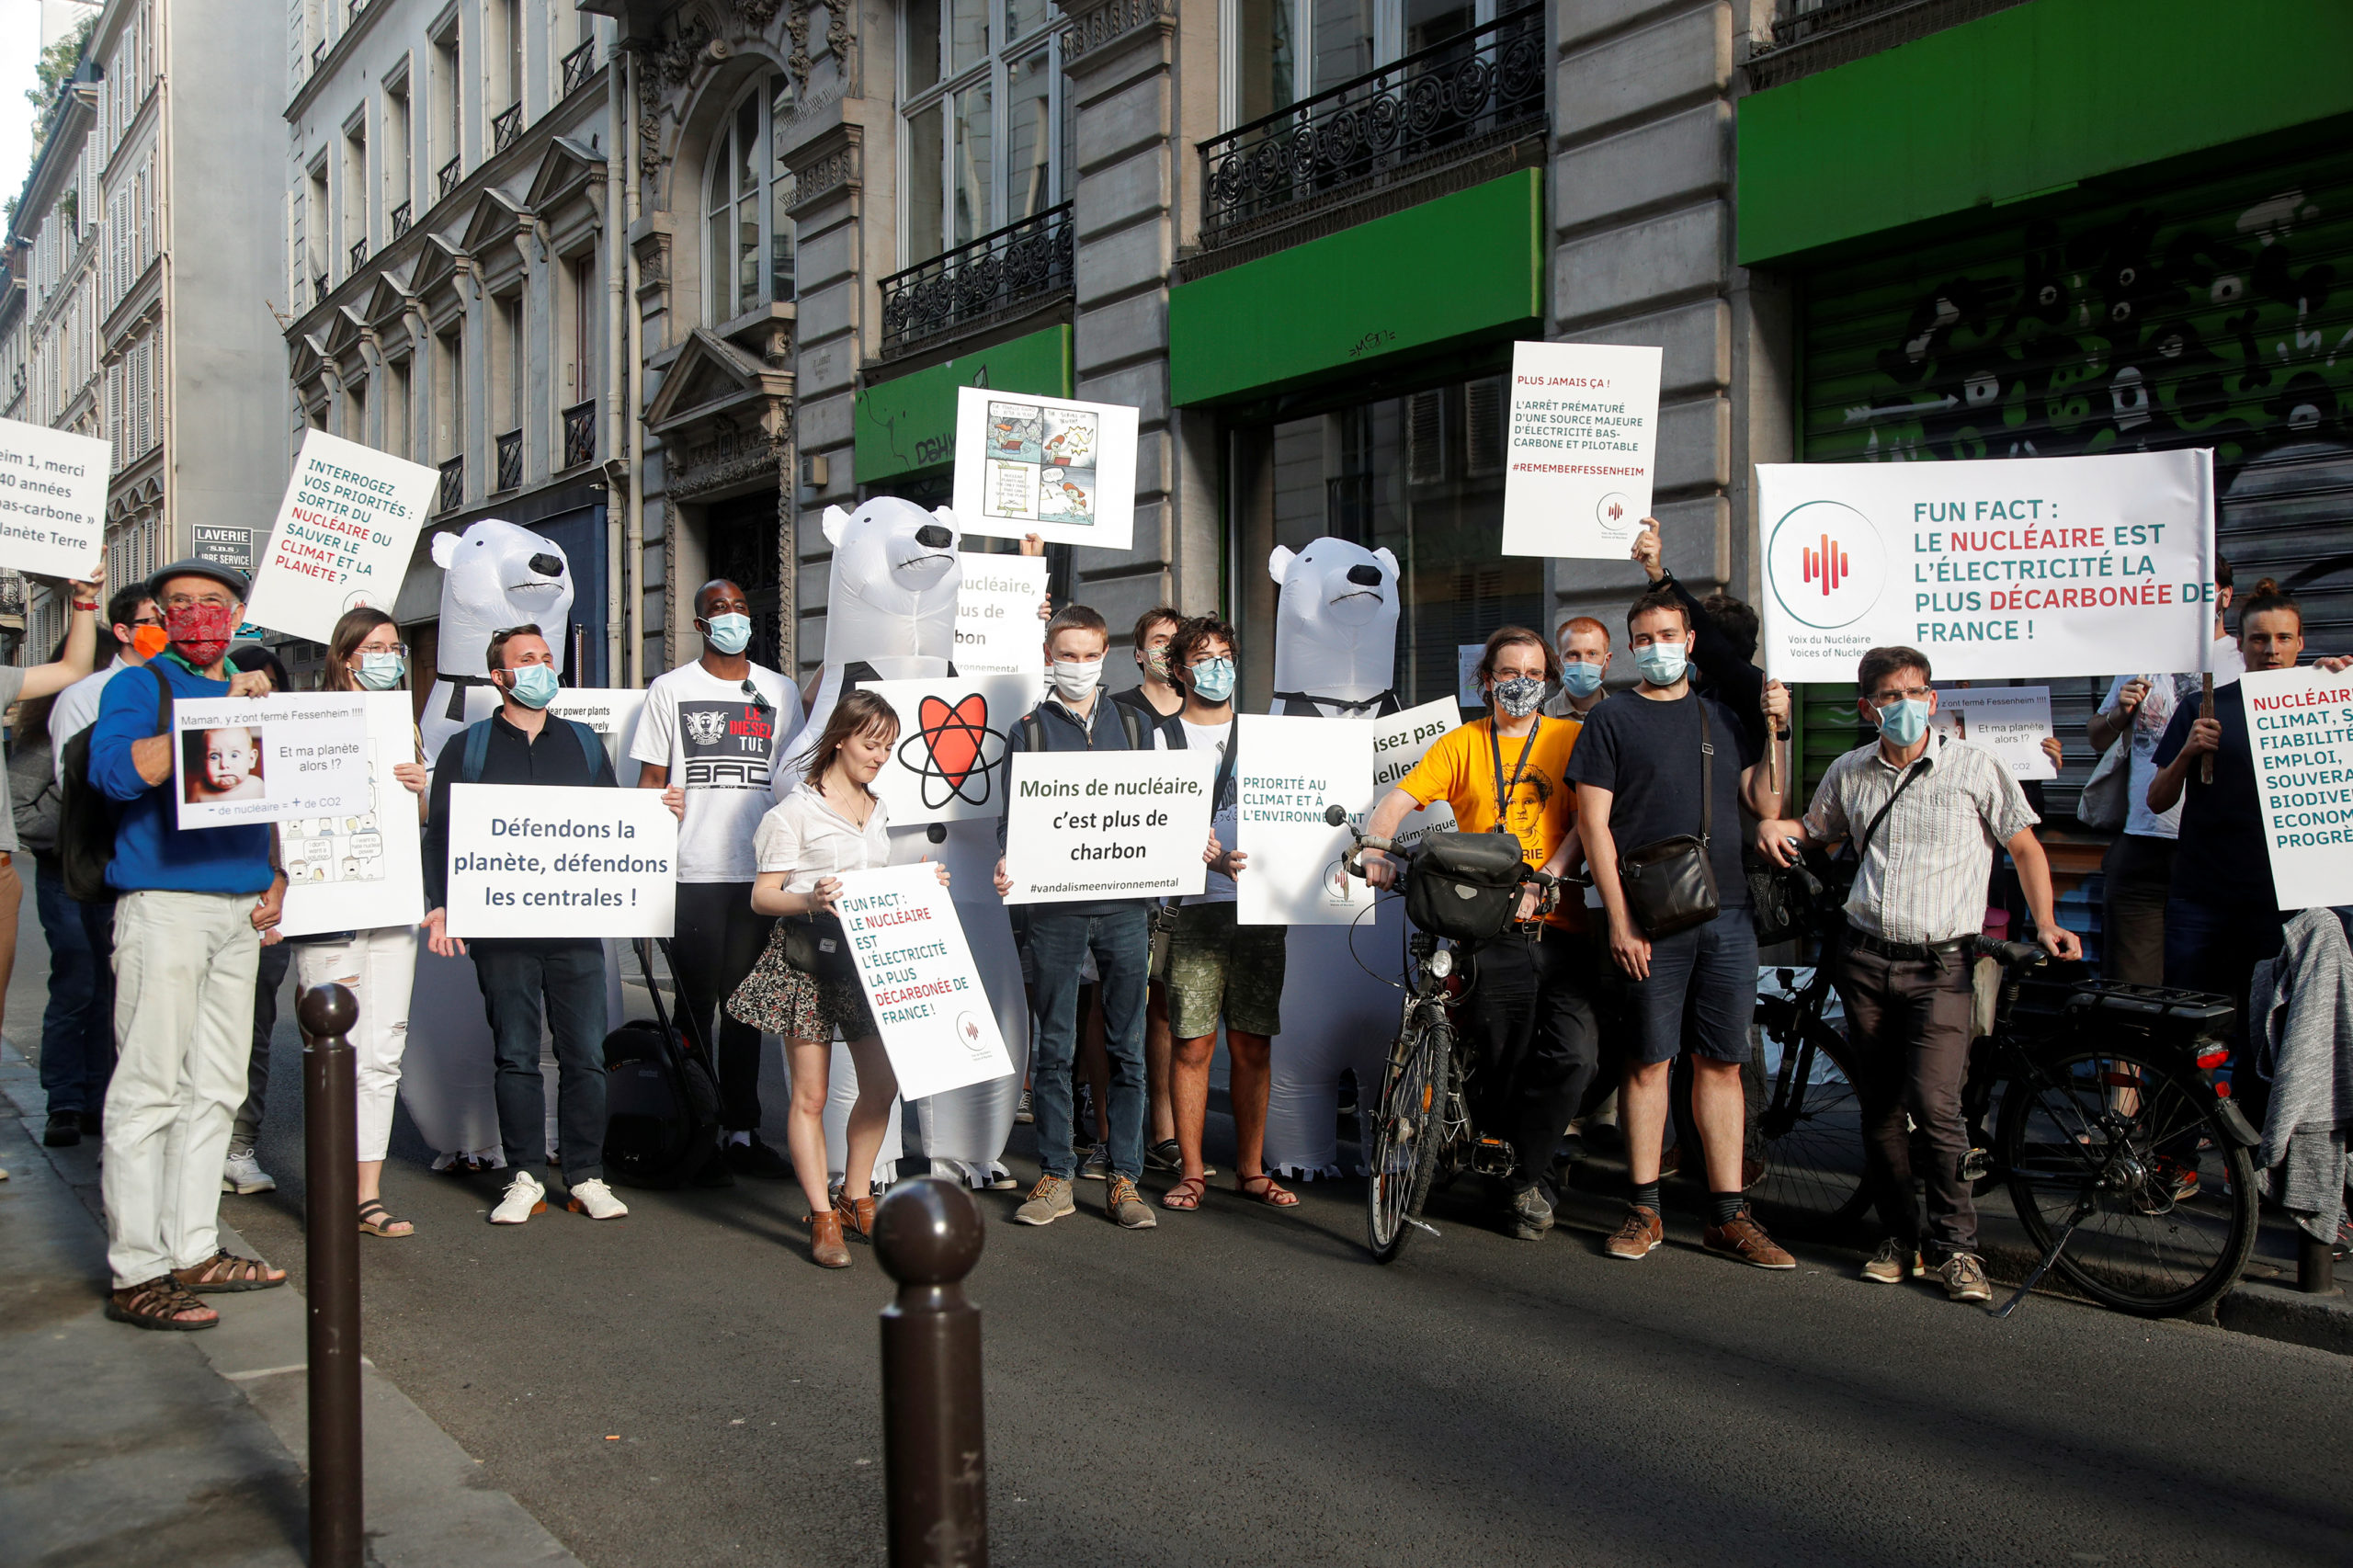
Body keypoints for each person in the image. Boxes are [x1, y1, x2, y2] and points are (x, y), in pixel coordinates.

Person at [1757, 646, 2080, 1302]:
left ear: (1932, 698)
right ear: (1866, 706)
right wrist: (1774, 825)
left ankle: (1958, 1250)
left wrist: (2045, 923)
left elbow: (2024, 846)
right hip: (1866, 958)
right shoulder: (1850, 771)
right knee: (1879, 1109)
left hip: (1943, 966)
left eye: (1915, 691)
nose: (1904, 704)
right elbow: (1817, 831)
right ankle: (1900, 1238)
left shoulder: (1973, 767)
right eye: (1889, 695)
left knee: (1937, 1108)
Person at [1568, 587, 1795, 1269]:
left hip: (1726, 914)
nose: (1658, 647)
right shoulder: (1610, 721)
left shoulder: (1722, 718)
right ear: (1631, 646)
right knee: (1648, 1063)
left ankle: (1727, 1216)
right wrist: (1619, 918)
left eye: (1669, 634)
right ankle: (1644, 1209)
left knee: (1721, 1063)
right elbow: (1593, 826)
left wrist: (1777, 732)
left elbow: (1764, 800)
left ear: (1690, 641)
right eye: (1644, 638)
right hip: (1650, 919)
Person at [90, 560, 289, 1330]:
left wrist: (278, 874)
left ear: (236, 616)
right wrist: (208, 716)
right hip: (164, 905)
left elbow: (279, 788)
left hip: (240, 910)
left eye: (213, 604)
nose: (198, 616)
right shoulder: (141, 687)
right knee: (148, 1089)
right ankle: (136, 1269)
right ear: (160, 617)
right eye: (181, 605)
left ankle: (193, 1246)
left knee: (216, 1087)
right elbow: (115, 776)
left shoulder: (257, 684)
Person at [1361, 625, 1597, 1241]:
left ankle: (1528, 1168)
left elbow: (1585, 821)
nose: (1522, 685)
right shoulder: (1461, 744)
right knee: (1504, 1057)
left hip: (1561, 924)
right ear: (1486, 679)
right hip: (1489, 927)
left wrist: (1549, 874)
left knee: (1576, 1055)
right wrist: (1375, 846)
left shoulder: (1573, 738)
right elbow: (1397, 803)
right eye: (1509, 673)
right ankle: (1521, 1184)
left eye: (1534, 674)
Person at [422, 623, 638, 1226]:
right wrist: (441, 903)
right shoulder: (467, 749)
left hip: (575, 932)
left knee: (585, 1056)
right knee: (515, 1053)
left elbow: (615, 824)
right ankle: (523, 1176)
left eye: (547, 657)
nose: (543, 666)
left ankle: (586, 1175)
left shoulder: (586, 745)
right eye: (528, 659)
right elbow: (441, 834)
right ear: (501, 678)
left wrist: (655, 817)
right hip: (501, 934)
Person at [727, 691, 946, 1267]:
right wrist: (810, 897)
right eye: (872, 744)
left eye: (889, 746)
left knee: (882, 1085)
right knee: (812, 1095)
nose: (881, 756)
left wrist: (917, 884)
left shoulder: (878, 807)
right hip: (806, 962)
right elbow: (761, 896)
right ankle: (821, 1216)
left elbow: (872, 883)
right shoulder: (792, 813)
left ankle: (855, 1196)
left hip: (867, 962)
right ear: (842, 738)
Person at [2148, 578, 2353, 1136]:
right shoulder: (2204, 705)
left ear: (2301, 642)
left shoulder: (2329, 698)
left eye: (2283, 638)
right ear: (2238, 644)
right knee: (2188, 1027)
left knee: (2275, 1030)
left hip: (2286, 904)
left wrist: (2345, 685)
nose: (2271, 649)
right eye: (2259, 638)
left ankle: (2265, 1156)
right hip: (2204, 899)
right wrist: (2189, 750)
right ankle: (2175, 1152)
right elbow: (2157, 798)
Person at [992, 605, 1159, 1232]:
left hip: (1124, 909)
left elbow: (1159, 812)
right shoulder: (1028, 731)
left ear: (1107, 654)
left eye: (1091, 655)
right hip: (1056, 912)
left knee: (1128, 1050)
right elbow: (1013, 824)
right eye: (1069, 654)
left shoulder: (1138, 728)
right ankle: (1058, 1175)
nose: (1080, 667)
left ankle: (1124, 1178)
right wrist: (1009, 861)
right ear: (1047, 655)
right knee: (1055, 1047)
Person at [631, 577, 801, 1178]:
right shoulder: (669, 690)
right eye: (718, 610)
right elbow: (650, 784)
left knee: (746, 1011)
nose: (731, 616)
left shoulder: (780, 691)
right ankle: (693, 1124)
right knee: (695, 1007)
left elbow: (793, 782)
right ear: (700, 625)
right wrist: (650, 841)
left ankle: (740, 1131)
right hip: (693, 872)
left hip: (757, 876)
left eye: (739, 607)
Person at [273, 610, 432, 1236]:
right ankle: (331, 1187)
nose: (390, 656)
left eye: (396, 646)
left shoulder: (404, 726)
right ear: (344, 658)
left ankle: (366, 1194)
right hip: (327, 910)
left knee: (382, 1052)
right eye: (377, 647)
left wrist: (421, 788)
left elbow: (418, 818)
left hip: (392, 907)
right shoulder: (303, 723)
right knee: (331, 1050)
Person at [1150, 616, 1293, 1213]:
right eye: (1203, 657)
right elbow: (1148, 825)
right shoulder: (1160, 738)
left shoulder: (1268, 736)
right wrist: (1192, 851)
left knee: (1253, 1042)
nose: (1217, 667)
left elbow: (1297, 815)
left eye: (1226, 655)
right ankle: (1191, 1169)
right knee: (1192, 1044)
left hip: (1260, 908)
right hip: (1194, 911)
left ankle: (1252, 1170)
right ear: (1179, 670)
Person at [41, 584, 161, 1148]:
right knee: (80, 983)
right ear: (124, 631)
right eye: (153, 619)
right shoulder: (87, 695)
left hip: (149, 861)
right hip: (93, 860)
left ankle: (106, 1099)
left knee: (125, 992)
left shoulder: (179, 688)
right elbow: (81, 788)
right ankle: (67, 1100)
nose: (165, 626)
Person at [2086, 559, 2240, 986]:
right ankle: (2130, 1057)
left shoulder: (2247, 658)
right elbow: (2097, 737)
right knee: (2129, 986)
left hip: (2214, 846)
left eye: (2202, 590)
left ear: (2225, 596)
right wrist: (2119, 712)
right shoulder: (2142, 658)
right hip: (2142, 840)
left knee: (2211, 983)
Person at [221, 644, 297, 1199]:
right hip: (208, 904)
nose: (260, 697)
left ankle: (238, 1146)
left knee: (253, 1036)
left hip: (270, 912)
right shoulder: (214, 752)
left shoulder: (293, 749)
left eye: (269, 687)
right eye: (249, 688)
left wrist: (282, 881)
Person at [1542, 615, 1612, 724]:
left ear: (1607, 661)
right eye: (1573, 654)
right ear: (1559, 663)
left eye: (1592, 653)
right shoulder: (1541, 718)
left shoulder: (1622, 716)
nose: (1583, 662)